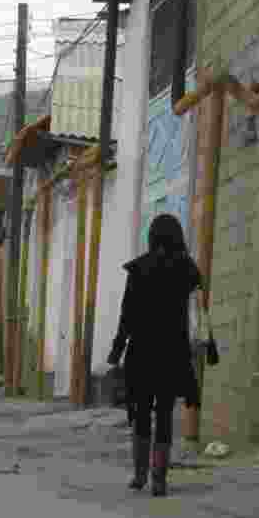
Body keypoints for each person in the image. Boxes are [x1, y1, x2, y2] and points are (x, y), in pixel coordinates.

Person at [108, 213, 203, 498]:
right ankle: (159, 480)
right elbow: (200, 310)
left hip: (142, 352)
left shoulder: (139, 269)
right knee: (163, 415)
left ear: (152, 236)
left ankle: (139, 476)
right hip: (172, 353)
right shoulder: (187, 270)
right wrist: (208, 346)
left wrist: (116, 350)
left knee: (140, 414)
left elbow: (127, 315)